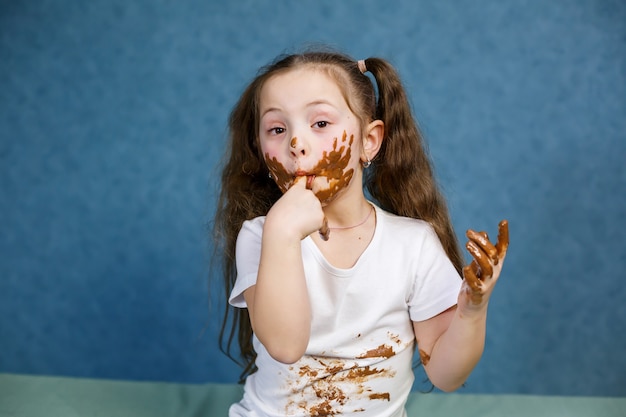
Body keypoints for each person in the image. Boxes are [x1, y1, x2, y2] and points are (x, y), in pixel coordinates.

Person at [213, 48, 509, 417]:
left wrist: (472, 310)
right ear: (261, 150)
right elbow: (285, 346)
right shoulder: (262, 236)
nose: (296, 143)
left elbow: (446, 375)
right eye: (277, 128)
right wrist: (283, 232)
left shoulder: (412, 244)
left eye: (320, 123)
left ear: (369, 141)